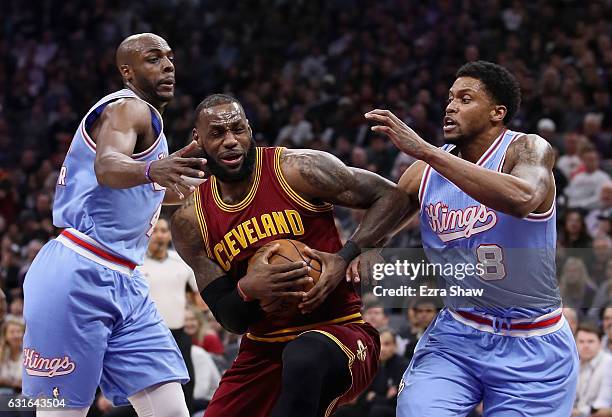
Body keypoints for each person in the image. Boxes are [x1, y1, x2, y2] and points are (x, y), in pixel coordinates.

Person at [358, 61, 578, 416]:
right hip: (458, 334)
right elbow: (378, 220)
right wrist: (359, 249)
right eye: (449, 99)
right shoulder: (424, 173)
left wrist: (427, 151)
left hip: (534, 345)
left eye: (465, 99)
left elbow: (521, 198)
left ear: (497, 113)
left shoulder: (526, 150)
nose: (450, 106)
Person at [170, 94, 412, 417]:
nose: (231, 141)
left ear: (249, 129)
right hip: (264, 347)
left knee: (304, 356)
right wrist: (249, 289)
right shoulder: (191, 220)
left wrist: (348, 254)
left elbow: (393, 197)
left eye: (237, 129)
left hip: (341, 330)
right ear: (198, 139)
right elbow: (231, 319)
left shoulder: (296, 169)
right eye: (217, 133)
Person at [22, 33, 207, 417]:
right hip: (78, 270)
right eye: (153, 59)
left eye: (170, 57)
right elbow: (108, 166)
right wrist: (154, 168)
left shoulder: (148, 125)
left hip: (127, 280)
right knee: (59, 411)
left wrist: (197, 185)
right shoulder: (128, 108)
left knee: (170, 409)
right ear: (128, 71)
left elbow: (146, 190)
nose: (168, 65)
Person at [138, 217, 199, 412]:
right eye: (155, 230)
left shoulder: (181, 261)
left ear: (169, 235)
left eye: (164, 230)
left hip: (178, 333)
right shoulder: (136, 263)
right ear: (147, 234)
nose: (160, 235)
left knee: (187, 383)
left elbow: (199, 294)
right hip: (148, 336)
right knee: (149, 388)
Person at [573, 322, 612, 417]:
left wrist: (578, 412)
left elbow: (603, 404)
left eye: (590, 341)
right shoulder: (576, 363)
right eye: (581, 342)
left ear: (600, 342)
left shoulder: (608, 362)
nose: (585, 346)